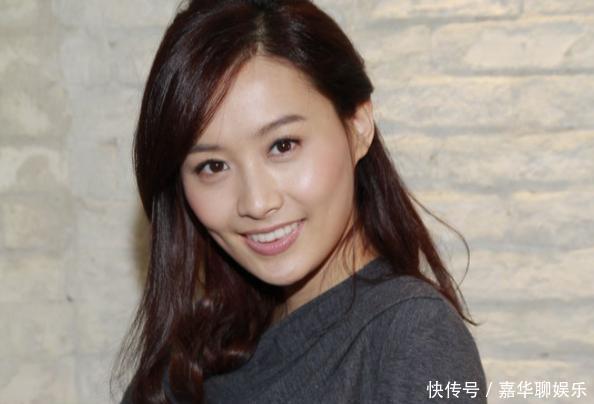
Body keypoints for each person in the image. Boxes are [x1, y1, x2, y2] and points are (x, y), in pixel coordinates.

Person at [114, 0, 487, 402]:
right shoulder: (197, 351)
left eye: (283, 145)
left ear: (358, 125)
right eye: (213, 166)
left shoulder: (411, 336)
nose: (257, 202)